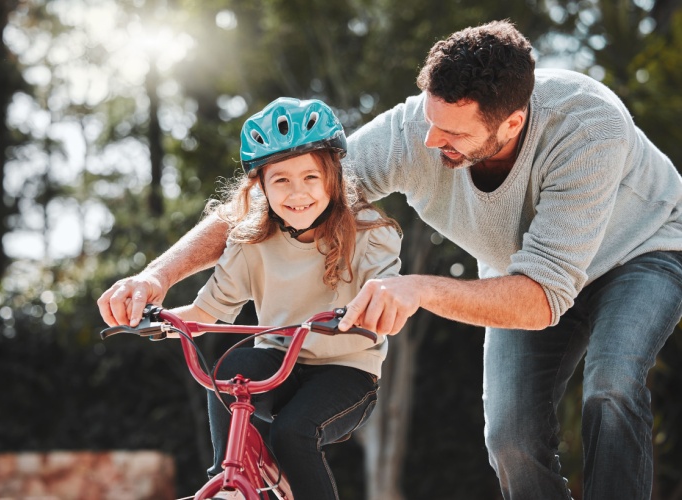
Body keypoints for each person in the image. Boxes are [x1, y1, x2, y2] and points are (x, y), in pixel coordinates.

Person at [98, 20, 682, 500]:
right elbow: (284, 202)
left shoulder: (587, 127)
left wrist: (419, 289)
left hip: (641, 254)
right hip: (520, 271)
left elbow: (542, 299)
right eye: (429, 120)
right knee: (510, 436)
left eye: (451, 133)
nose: (430, 143)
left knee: (611, 384)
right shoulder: (415, 130)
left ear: (511, 123)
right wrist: (158, 275)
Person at [104, 97, 402, 499]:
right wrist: (156, 319)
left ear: (333, 178)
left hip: (345, 373)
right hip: (279, 362)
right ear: (260, 185)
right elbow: (205, 313)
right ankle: (228, 484)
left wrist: (375, 310)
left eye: (311, 177)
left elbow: (388, 296)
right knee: (231, 368)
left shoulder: (370, 233)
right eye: (281, 180)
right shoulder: (251, 243)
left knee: (293, 431)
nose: (298, 193)